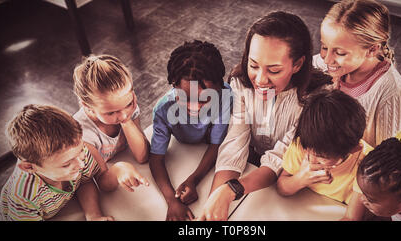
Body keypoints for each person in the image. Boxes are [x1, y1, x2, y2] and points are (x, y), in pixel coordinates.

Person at [198, 11, 331, 221]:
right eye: (253, 65)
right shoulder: (240, 84)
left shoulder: (317, 99)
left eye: (274, 70)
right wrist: (213, 204)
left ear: (297, 65)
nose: (260, 79)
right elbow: (234, 144)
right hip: (255, 166)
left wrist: (230, 190)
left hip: (292, 179)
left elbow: (279, 158)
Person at [149, 40, 231, 221]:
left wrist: (194, 179)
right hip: (185, 153)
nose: (193, 108)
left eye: (203, 100)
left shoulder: (225, 98)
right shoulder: (164, 109)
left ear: (219, 87)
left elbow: (216, 145)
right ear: (173, 86)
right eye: (183, 98)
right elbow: (156, 158)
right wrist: (172, 200)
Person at [313, 0, 401, 147]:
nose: (327, 59)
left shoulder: (393, 92)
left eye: (340, 53)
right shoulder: (325, 64)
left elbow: (386, 157)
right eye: (324, 47)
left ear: (372, 50)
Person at [0, 105, 114, 221]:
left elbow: (85, 181)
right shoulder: (22, 197)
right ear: (29, 167)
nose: (81, 165)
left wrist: (94, 216)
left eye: (81, 150)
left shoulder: (77, 155)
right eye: (66, 165)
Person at [277, 89, 373, 211]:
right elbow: (281, 188)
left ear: (354, 150)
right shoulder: (303, 143)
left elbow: (353, 216)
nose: (311, 158)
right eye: (308, 150)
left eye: (322, 157)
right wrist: (301, 178)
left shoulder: (366, 166)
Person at [73, 54, 149, 192]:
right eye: (111, 113)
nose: (123, 114)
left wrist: (126, 122)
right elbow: (102, 183)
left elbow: (143, 156)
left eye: (129, 104)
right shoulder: (83, 133)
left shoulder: (126, 109)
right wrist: (119, 170)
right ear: (86, 106)